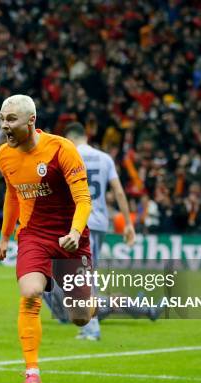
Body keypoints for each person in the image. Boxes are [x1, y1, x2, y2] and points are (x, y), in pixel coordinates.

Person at [0, 95, 93, 383]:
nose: (4, 126)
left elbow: (83, 199)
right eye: (2, 119)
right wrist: (5, 237)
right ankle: (32, 372)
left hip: (70, 238)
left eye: (11, 120)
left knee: (79, 317)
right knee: (30, 292)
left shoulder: (61, 149)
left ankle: (98, 301)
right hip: (33, 235)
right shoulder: (3, 155)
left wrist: (75, 232)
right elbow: (12, 196)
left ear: (31, 121)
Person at [43, 122, 138, 340]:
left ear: (70, 138)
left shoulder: (67, 154)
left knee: (82, 277)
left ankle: (92, 327)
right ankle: (91, 319)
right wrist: (129, 224)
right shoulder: (105, 158)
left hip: (78, 223)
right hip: (100, 222)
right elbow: (119, 192)